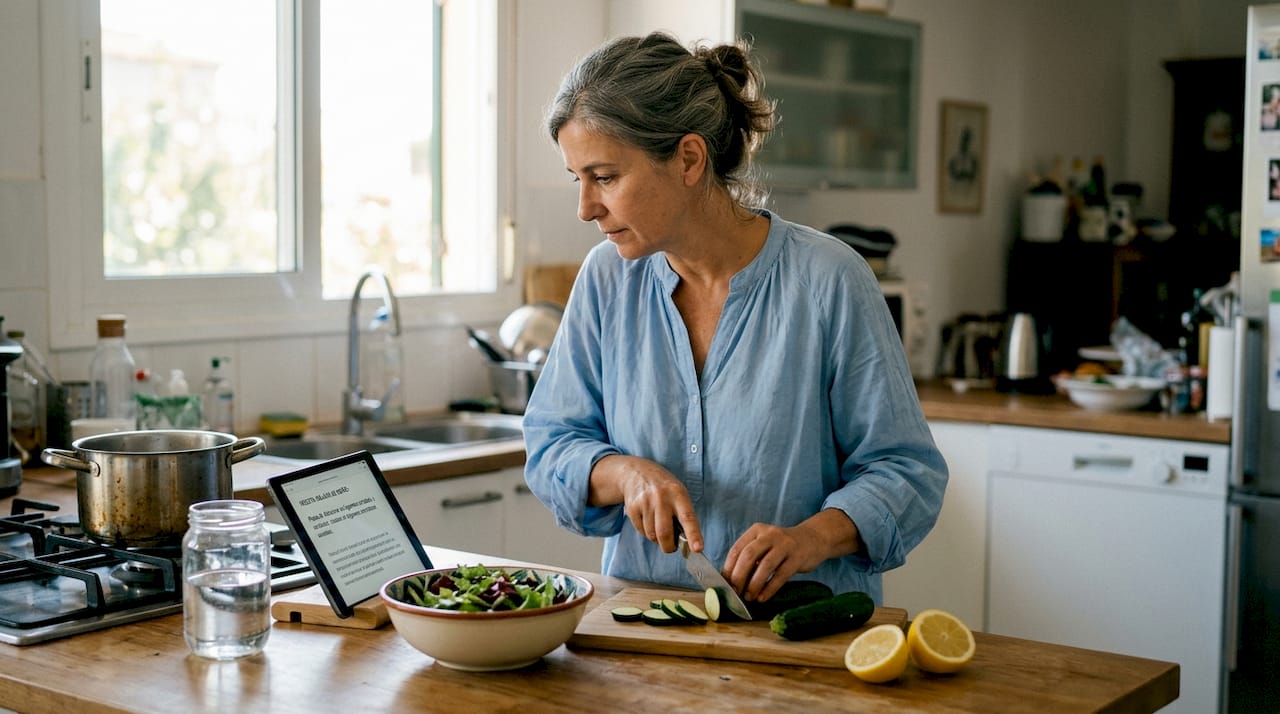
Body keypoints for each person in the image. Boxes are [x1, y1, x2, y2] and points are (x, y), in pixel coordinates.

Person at [522, 32, 947, 605]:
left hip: (801, 631)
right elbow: (552, 444)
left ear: (688, 159)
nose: (585, 208)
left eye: (605, 177)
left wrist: (811, 538)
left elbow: (907, 473)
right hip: (646, 623)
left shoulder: (829, 279)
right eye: (579, 179)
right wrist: (625, 474)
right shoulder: (606, 278)